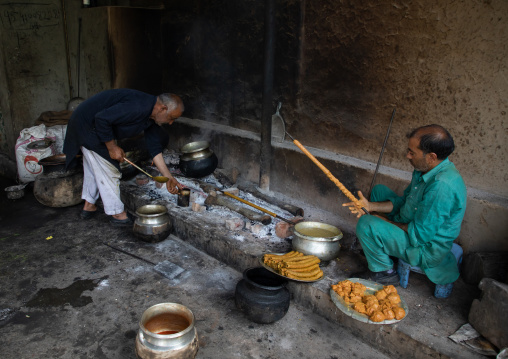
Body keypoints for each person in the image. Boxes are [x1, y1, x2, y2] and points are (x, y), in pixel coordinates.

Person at [343, 124, 467, 286]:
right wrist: (371, 206)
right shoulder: (426, 169)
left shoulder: (441, 187)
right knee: (379, 192)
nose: (408, 156)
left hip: (425, 248)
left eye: (412, 152)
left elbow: (420, 234)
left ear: (431, 156)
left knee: (367, 224)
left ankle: (383, 272)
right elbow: (405, 202)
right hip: (414, 222)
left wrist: (385, 222)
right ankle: (386, 249)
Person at [63, 88, 185, 226]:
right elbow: (101, 119)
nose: (170, 123)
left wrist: (168, 177)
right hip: (87, 126)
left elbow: (155, 149)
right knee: (109, 169)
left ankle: (89, 206)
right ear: (163, 108)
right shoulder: (139, 106)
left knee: (95, 167)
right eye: (171, 118)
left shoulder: (152, 116)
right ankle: (117, 214)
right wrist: (112, 147)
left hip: (91, 127)